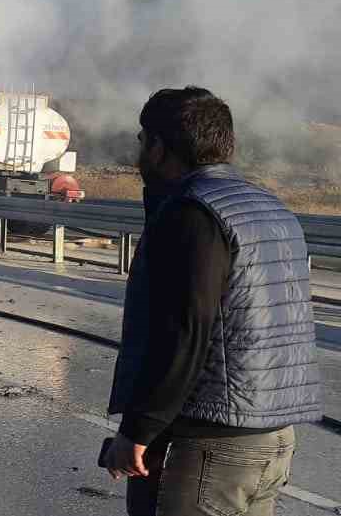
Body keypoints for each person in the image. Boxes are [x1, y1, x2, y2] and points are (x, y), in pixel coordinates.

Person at [103, 87, 321, 516]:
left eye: (142, 141)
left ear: (160, 147)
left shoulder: (194, 213)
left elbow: (184, 331)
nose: (138, 155)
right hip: (273, 436)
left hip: (209, 446)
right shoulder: (271, 209)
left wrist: (138, 430)